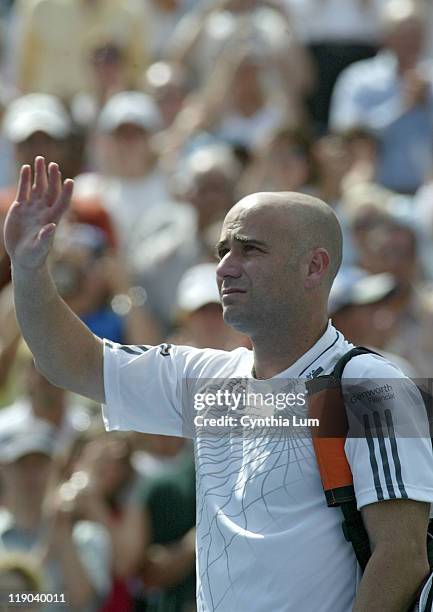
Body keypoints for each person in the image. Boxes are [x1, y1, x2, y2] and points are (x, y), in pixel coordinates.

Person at [4, 157, 433, 611]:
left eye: (250, 250)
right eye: (222, 251)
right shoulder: (207, 381)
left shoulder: (369, 385)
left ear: (314, 267)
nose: (226, 268)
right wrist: (29, 269)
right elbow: (74, 364)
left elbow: (402, 556)